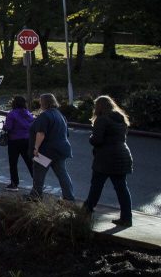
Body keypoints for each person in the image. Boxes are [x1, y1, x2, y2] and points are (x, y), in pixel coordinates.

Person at [82, 95, 134, 226]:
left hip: (105, 158)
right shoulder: (121, 118)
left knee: (96, 186)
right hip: (123, 154)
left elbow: (97, 140)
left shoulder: (102, 119)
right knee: (122, 188)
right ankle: (127, 218)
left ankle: (86, 211)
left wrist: (91, 138)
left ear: (99, 106)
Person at [29, 93, 75, 201]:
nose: (40, 103)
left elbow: (41, 133)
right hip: (60, 150)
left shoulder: (45, 116)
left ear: (44, 102)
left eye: (41, 101)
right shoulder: (60, 115)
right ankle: (69, 197)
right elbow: (66, 134)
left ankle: (36, 196)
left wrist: (36, 148)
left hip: (46, 151)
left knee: (39, 174)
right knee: (62, 174)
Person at [2, 96, 35, 191]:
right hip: (27, 140)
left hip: (14, 141)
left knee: (13, 163)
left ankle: (14, 183)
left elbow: (8, 127)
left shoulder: (12, 114)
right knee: (29, 162)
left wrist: (4, 125)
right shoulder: (28, 114)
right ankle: (37, 182)